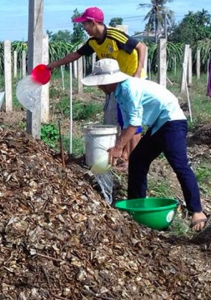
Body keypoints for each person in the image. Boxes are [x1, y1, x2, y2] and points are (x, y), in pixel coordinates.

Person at [80, 58, 208, 231]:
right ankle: (134, 205)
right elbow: (129, 126)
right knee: (138, 160)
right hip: (158, 125)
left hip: (172, 122)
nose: (99, 87)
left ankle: (197, 211)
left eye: (100, 83)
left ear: (110, 81)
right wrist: (122, 150)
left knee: (180, 165)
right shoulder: (119, 93)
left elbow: (133, 124)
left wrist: (118, 147)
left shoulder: (129, 89)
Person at [47, 6, 147, 167]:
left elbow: (141, 47)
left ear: (93, 23)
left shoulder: (115, 36)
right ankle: (121, 155)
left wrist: (138, 72)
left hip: (131, 80)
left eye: (85, 24)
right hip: (114, 83)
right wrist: (53, 65)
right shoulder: (93, 42)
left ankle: (130, 159)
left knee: (130, 120)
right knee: (118, 118)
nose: (84, 28)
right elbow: (76, 55)